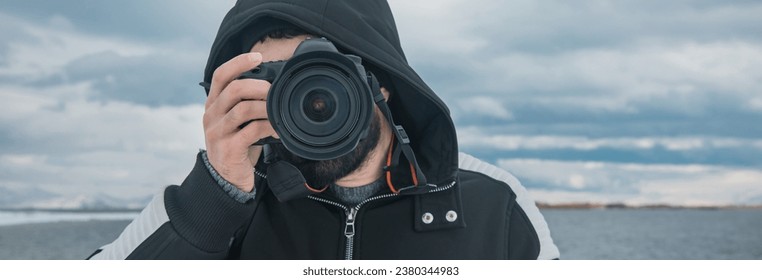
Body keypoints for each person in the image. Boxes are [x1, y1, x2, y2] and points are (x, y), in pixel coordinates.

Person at [88, 0, 559, 260]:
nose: (310, 103)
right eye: (278, 83)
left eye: (323, 77)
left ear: (383, 83)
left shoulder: (492, 202)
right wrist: (213, 199)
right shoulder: (223, 201)